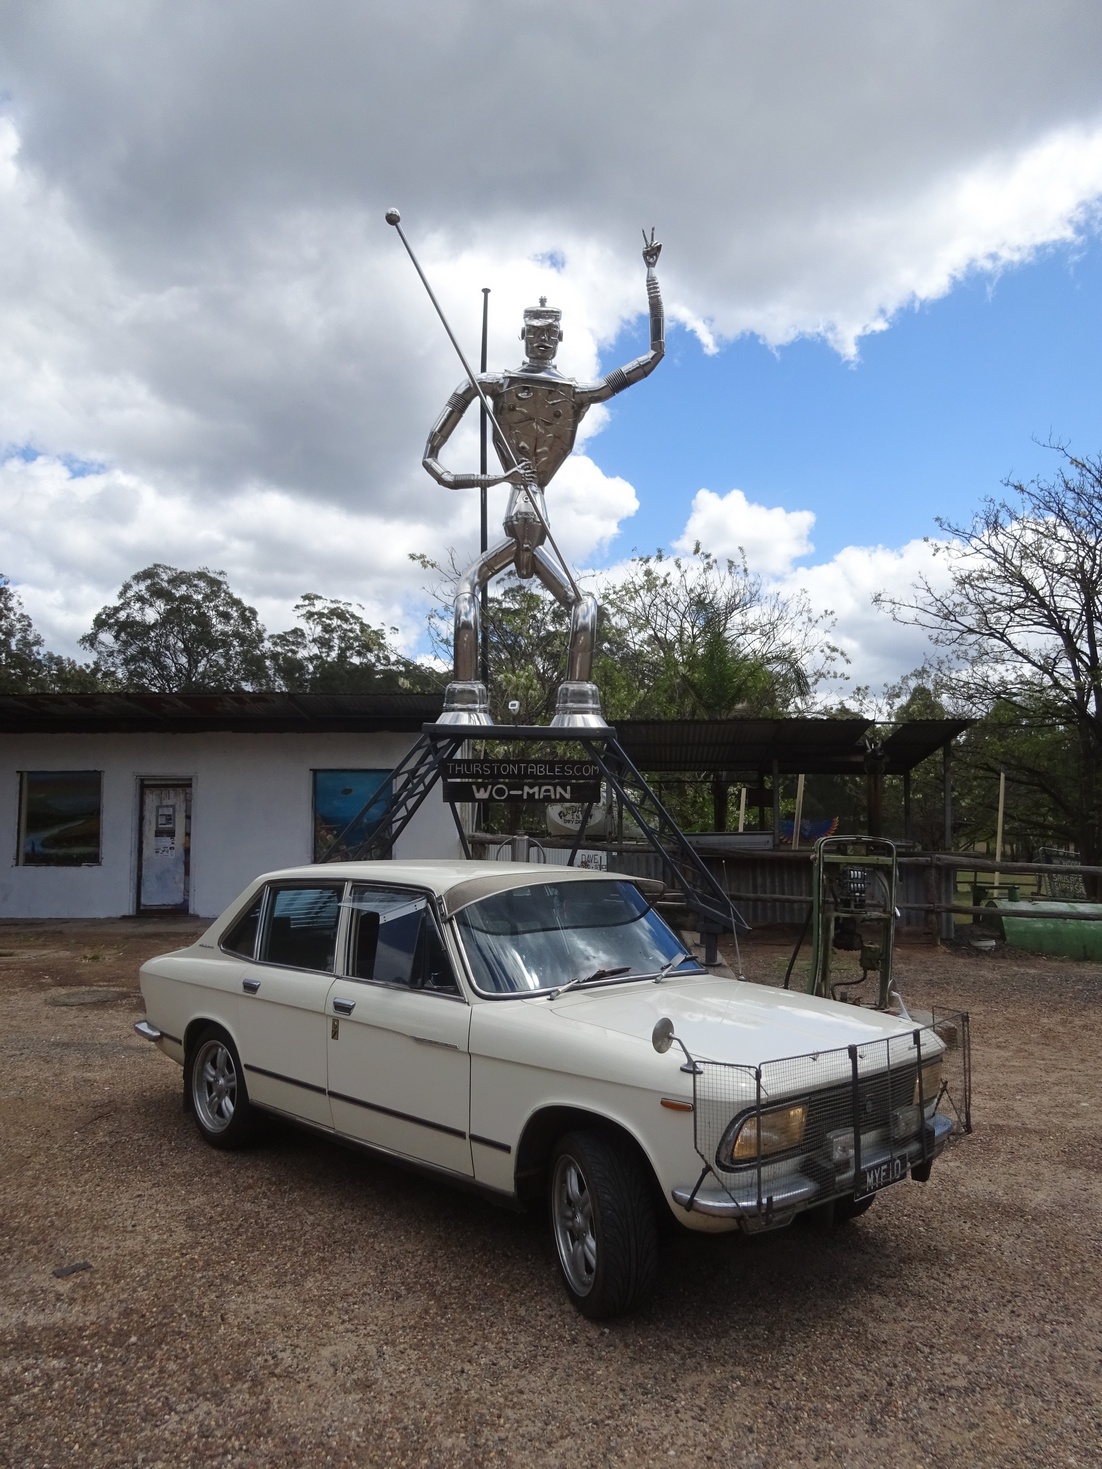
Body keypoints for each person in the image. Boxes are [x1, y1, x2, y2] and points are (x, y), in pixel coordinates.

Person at [423, 232, 664, 726]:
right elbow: (432, 461)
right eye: (534, 331)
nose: (542, 338)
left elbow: (652, 355)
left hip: (535, 516)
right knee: (467, 595)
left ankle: (575, 705)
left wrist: (651, 275)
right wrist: (497, 479)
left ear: (560, 338)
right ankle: (465, 700)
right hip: (517, 505)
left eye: (550, 332)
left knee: (583, 606)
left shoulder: (578, 392)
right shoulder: (489, 384)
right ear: (523, 335)